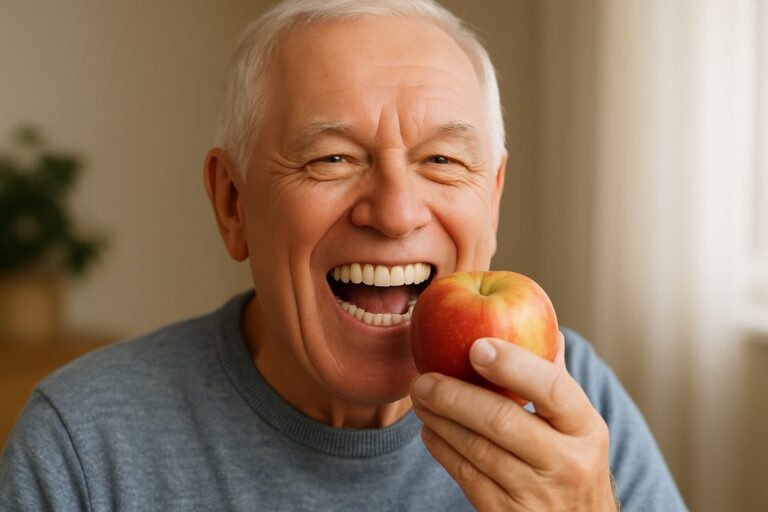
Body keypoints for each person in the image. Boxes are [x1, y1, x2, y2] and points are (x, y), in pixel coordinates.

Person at [0, 0, 687, 510]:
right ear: (233, 204)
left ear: (494, 198)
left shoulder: (572, 406)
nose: (395, 212)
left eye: (443, 160)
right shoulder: (81, 447)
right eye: (331, 158)